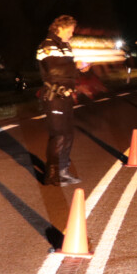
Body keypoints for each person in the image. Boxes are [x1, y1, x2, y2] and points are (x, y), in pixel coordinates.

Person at [37, 15, 84, 186]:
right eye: (71, 30)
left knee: (68, 135)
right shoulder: (47, 45)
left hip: (65, 97)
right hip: (53, 97)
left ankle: (63, 171)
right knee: (58, 136)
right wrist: (76, 65)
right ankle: (52, 176)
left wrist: (81, 68)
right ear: (62, 27)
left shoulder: (65, 46)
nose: (72, 34)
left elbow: (68, 72)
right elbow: (54, 70)